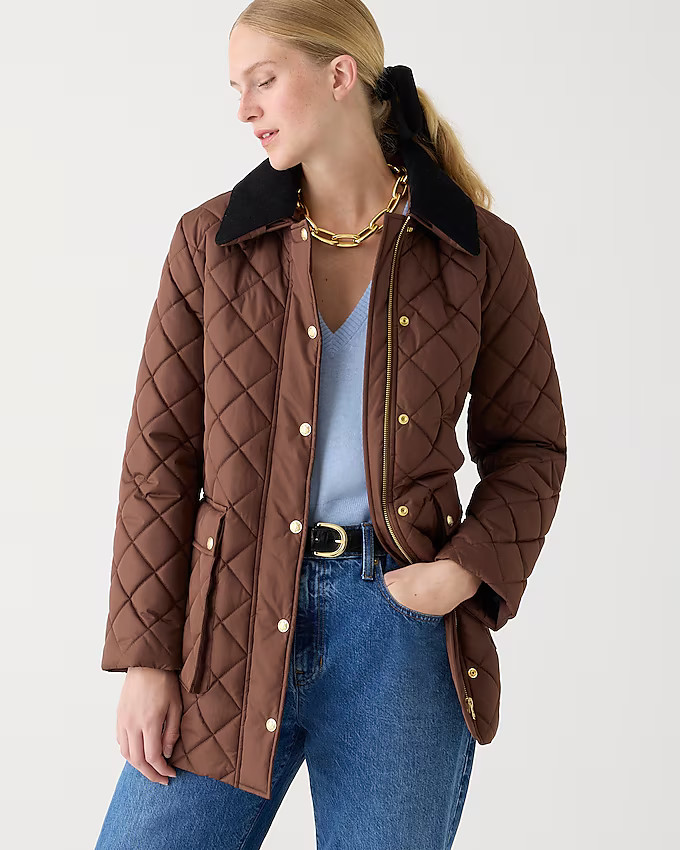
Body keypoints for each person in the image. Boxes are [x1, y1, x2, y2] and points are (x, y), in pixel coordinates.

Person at [95, 1, 567, 848]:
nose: (245, 109)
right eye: (237, 88)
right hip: (231, 626)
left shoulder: (475, 251)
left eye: (263, 81)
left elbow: (531, 447)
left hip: (399, 633)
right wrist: (147, 658)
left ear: (340, 74)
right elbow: (159, 459)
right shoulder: (212, 244)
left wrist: (458, 576)